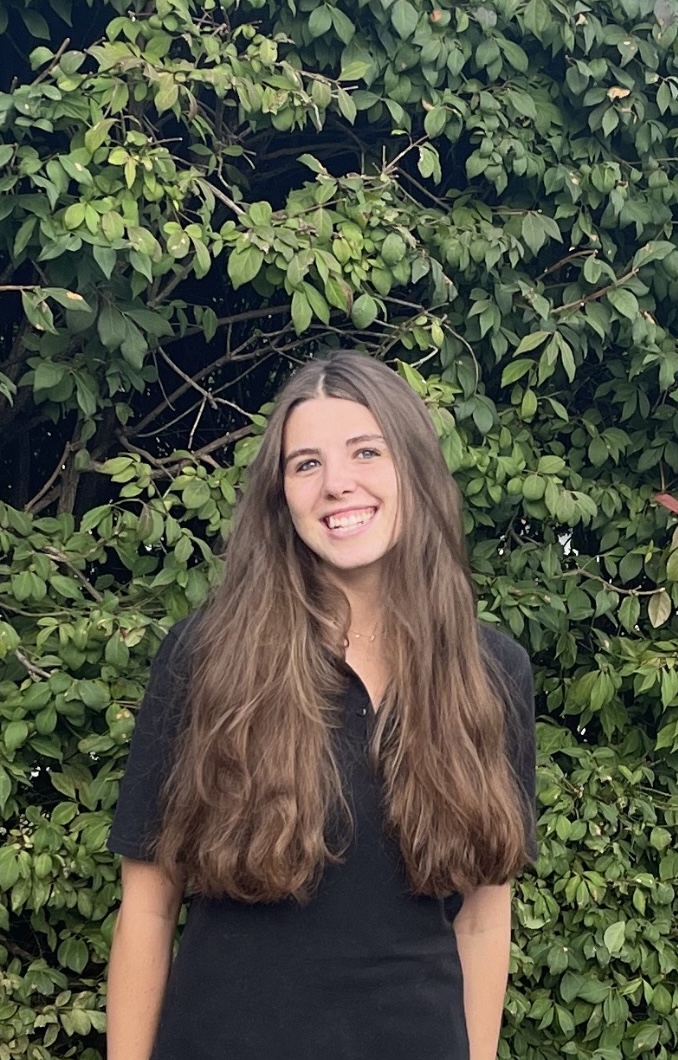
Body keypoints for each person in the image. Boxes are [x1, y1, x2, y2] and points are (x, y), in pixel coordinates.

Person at [106, 350, 537, 1060]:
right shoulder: (206, 657)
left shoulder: (491, 672)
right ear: (281, 495)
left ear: (413, 469)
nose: (338, 483)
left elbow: (484, 920)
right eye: (306, 464)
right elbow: (149, 910)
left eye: (366, 451)